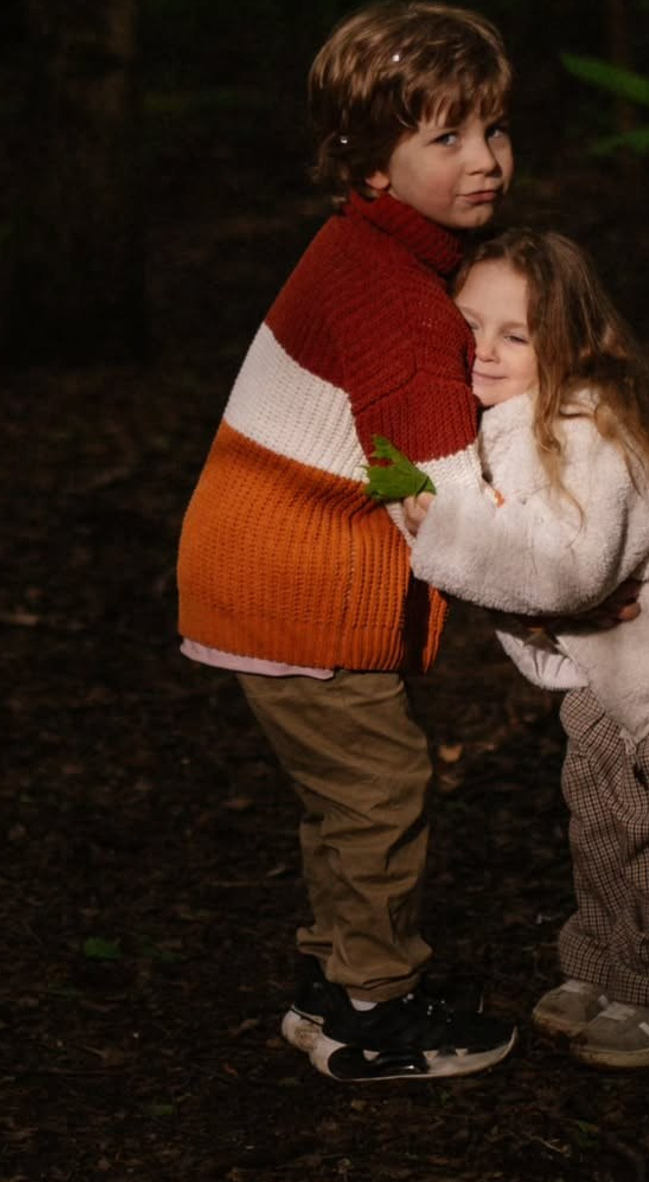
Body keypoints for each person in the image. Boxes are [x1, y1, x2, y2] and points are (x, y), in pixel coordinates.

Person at [175, 2, 525, 1083]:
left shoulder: (357, 250)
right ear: (368, 165)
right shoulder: (402, 304)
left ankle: (334, 979)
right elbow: (443, 502)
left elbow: (392, 463)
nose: (486, 162)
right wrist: (560, 596)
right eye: (445, 139)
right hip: (292, 584)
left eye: (494, 130)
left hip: (256, 569)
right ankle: (374, 1009)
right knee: (379, 787)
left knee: (347, 791)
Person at [404, 228, 649, 1070]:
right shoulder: (504, 419)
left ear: (569, 344)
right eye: (471, 326)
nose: (488, 351)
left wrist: (442, 527)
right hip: (609, 660)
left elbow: (565, 571)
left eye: (517, 334)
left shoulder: (589, 424)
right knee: (603, 810)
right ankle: (605, 962)